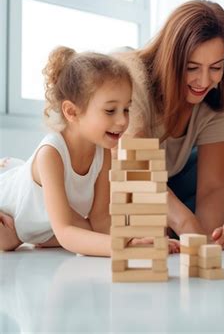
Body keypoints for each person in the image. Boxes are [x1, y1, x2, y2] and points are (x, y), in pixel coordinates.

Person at [0, 47, 179, 256]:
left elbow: (101, 220)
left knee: (83, 231)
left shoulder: (103, 154)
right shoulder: (51, 154)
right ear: (72, 112)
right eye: (110, 110)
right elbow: (66, 232)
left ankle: (39, 231)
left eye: (126, 109)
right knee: (7, 240)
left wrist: (135, 240)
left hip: (42, 224)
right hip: (9, 210)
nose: (122, 121)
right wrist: (126, 248)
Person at [114, 0, 224, 250]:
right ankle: (167, 222)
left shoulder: (212, 99)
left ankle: (170, 222)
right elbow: (135, 166)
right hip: (118, 184)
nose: (203, 81)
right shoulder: (128, 74)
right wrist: (185, 222)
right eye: (192, 68)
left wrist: (213, 238)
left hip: (167, 181)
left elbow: (213, 187)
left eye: (215, 68)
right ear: (171, 58)